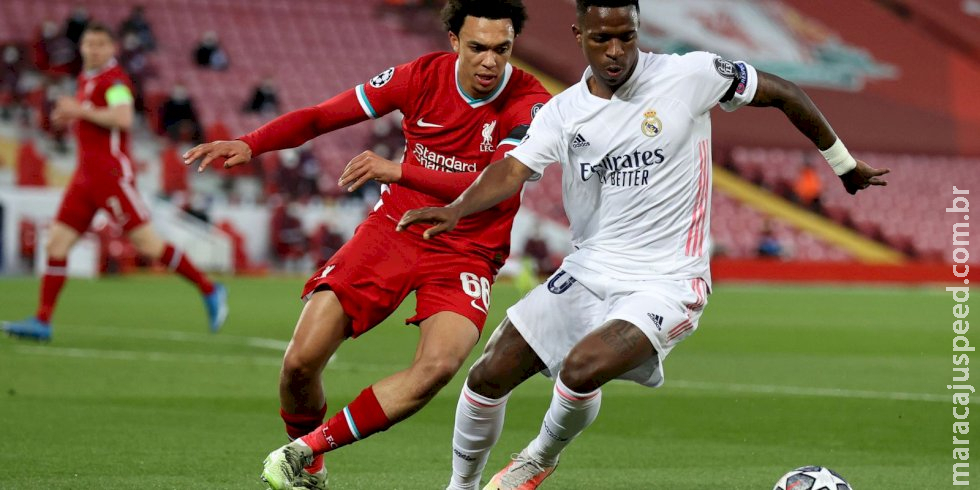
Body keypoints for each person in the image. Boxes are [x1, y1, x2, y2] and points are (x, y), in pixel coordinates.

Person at [397, 1, 890, 489]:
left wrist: (843, 163)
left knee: (581, 368)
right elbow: (512, 169)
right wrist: (459, 206)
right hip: (588, 270)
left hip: (668, 280)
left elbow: (784, 92)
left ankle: (536, 459)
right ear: (578, 34)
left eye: (625, 37)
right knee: (487, 376)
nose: (615, 51)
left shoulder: (690, 74)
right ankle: (460, 487)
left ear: (638, 30)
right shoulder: (563, 111)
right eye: (600, 39)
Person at [181, 1, 550, 488]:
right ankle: (308, 468)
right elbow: (322, 116)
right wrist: (252, 142)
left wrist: (399, 170)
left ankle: (305, 451)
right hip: (395, 229)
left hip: (468, 249)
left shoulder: (533, 101)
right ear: (454, 41)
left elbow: (498, 180)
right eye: (478, 47)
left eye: (502, 50)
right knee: (298, 364)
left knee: (438, 366)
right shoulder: (419, 77)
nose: (490, 62)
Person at [2, 24, 228, 341]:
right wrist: (75, 116)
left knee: (147, 244)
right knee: (56, 243)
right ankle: (42, 321)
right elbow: (94, 119)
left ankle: (210, 288)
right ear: (81, 48)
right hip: (85, 179)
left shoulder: (116, 81)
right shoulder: (85, 79)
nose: (93, 50)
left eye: (100, 44)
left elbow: (122, 118)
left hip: (111, 177)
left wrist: (79, 110)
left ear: (112, 49)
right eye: (88, 44)